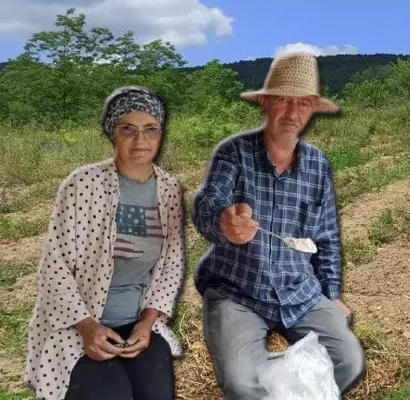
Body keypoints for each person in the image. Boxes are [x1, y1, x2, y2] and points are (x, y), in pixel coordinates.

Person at [192, 52, 365, 399]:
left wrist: (332, 295)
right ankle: (263, 372)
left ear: (313, 109)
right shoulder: (234, 152)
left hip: (298, 290)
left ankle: (279, 378)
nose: (292, 112)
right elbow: (207, 203)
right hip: (237, 292)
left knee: (348, 361)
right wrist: (224, 221)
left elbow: (326, 236)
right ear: (265, 103)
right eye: (283, 100)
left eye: (303, 103)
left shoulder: (317, 165)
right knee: (243, 384)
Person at [24, 86, 186, 400]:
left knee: (156, 394)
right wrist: (88, 327)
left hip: (137, 323)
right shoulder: (82, 184)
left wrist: (147, 323)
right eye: (128, 129)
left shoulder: (169, 189)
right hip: (77, 323)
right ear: (112, 133)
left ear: (161, 134)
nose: (140, 139)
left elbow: (172, 263)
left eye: (150, 129)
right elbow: (54, 268)